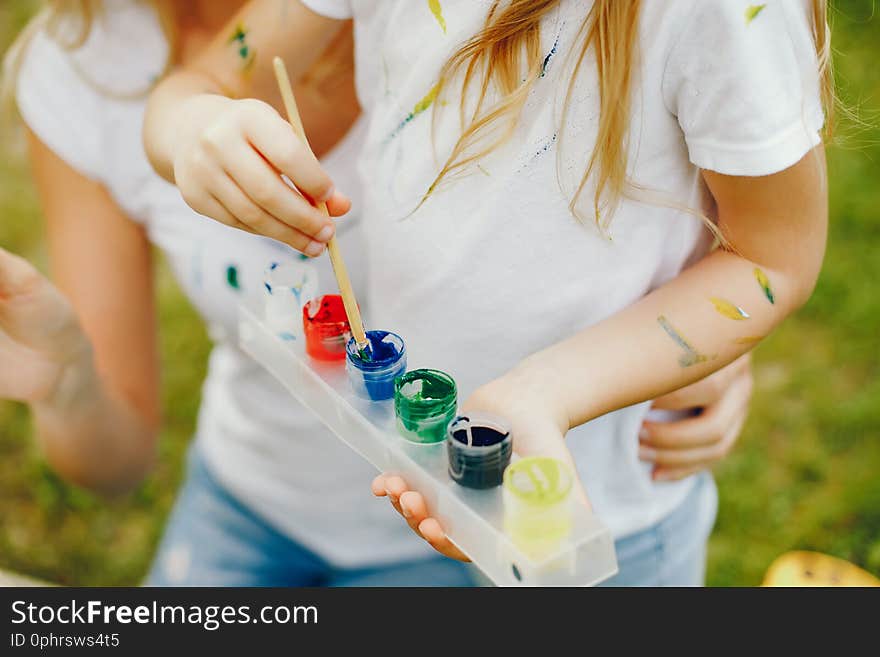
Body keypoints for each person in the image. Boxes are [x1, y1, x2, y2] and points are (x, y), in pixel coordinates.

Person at [1, 0, 752, 587]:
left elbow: (696, 198)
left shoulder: (477, 33)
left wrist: (692, 337)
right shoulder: (82, 75)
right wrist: (67, 375)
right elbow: (117, 464)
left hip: (449, 516)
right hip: (254, 490)